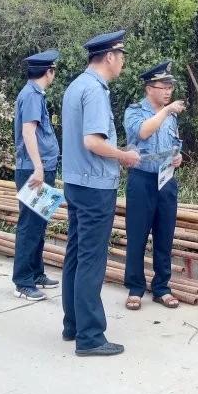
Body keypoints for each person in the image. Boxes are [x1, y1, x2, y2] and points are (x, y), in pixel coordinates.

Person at [60, 29, 141, 357]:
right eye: (121, 56)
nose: (122, 62)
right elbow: (93, 142)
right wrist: (124, 156)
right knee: (91, 260)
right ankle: (90, 337)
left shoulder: (75, 85)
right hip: (94, 187)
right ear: (109, 56)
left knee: (76, 254)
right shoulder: (94, 91)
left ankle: (73, 325)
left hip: (76, 182)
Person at [122, 61, 184, 311]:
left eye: (171, 86)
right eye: (163, 86)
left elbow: (174, 143)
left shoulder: (170, 117)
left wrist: (178, 157)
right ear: (149, 88)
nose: (168, 91)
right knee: (137, 235)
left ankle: (161, 287)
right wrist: (166, 111)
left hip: (166, 180)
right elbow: (144, 133)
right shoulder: (135, 111)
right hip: (141, 180)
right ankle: (135, 288)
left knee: (165, 235)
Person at [12, 49, 61, 301]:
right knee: (29, 226)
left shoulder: (35, 94)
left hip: (43, 168)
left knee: (39, 223)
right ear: (48, 72)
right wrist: (39, 168)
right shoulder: (31, 95)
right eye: (53, 71)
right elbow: (28, 133)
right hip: (33, 170)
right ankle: (22, 281)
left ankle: (36, 272)